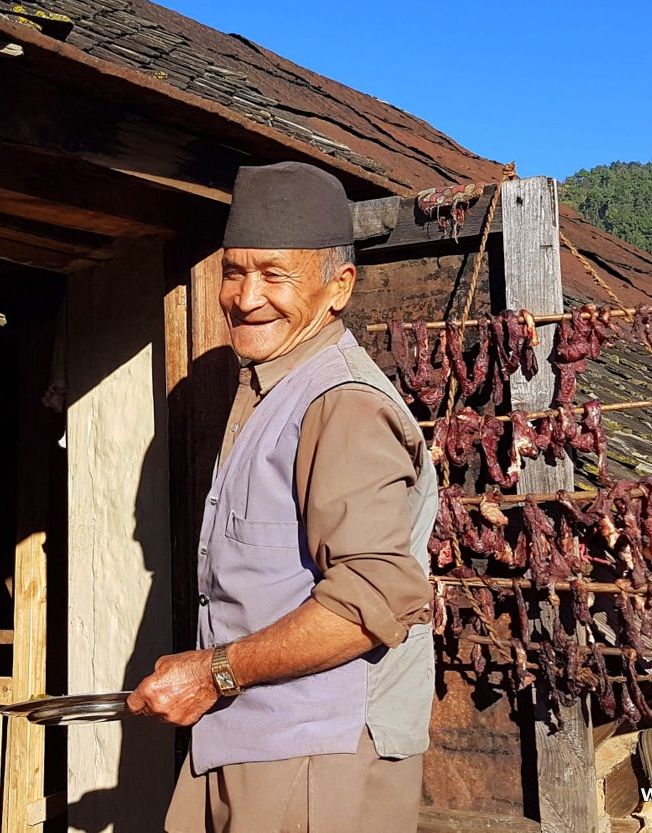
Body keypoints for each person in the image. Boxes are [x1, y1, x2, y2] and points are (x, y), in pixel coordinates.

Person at [126, 161, 438, 833]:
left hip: (316, 754)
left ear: (338, 287)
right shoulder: (269, 387)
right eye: (234, 272)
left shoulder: (343, 404)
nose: (245, 297)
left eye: (274, 275)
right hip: (246, 737)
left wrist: (213, 673)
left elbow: (371, 603)